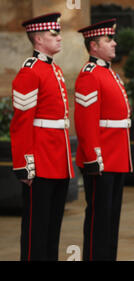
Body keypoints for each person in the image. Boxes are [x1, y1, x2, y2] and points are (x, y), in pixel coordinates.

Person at [10, 12, 74, 261]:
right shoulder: (30, 71)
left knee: (52, 229)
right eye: (53, 34)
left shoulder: (53, 69)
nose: (59, 38)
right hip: (41, 160)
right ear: (38, 39)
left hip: (58, 159)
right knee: (36, 230)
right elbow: (21, 124)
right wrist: (25, 165)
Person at [75, 19, 133, 261]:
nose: (114, 43)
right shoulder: (90, 75)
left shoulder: (110, 73)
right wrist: (92, 157)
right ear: (94, 46)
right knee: (99, 219)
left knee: (111, 219)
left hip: (117, 156)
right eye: (108, 40)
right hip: (102, 158)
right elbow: (86, 121)